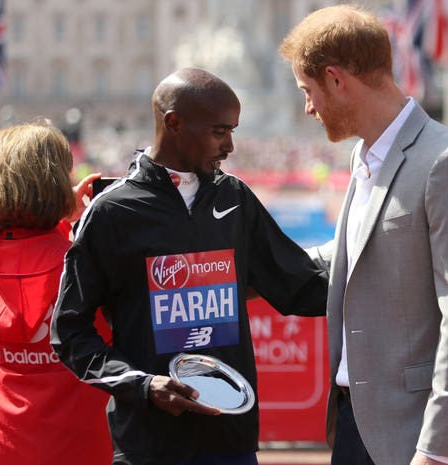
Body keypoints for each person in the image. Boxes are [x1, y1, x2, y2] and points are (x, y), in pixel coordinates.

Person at [50, 67, 328, 465]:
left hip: (230, 441)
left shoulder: (235, 198)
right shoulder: (112, 212)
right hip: (148, 445)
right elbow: (69, 331)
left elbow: (300, 285)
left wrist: (388, 272)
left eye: (232, 130)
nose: (231, 145)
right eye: (220, 132)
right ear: (174, 123)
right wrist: (143, 386)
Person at [279, 5, 448, 465]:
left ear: (337, 80)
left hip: (418, 437)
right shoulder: (365, 156)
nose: (307, 107)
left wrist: (439, 449)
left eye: (308, 90)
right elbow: (351, 257)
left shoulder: (447, 162)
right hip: (357, 424)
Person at [0, 122, 113, 465]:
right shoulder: (88, 266)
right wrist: (65, 221)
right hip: (79, 447)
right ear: (56, 184)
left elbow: (13, 256)